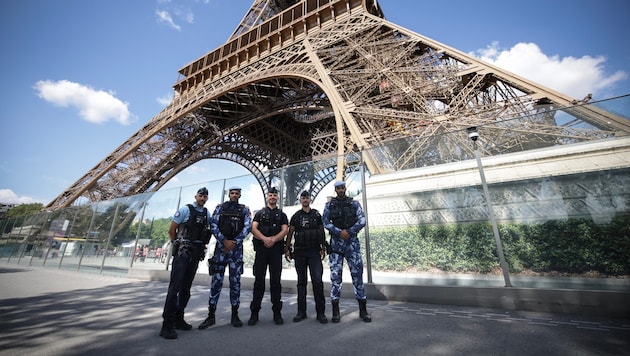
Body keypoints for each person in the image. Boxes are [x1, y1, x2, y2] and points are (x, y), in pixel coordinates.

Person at [160, 187, 213, 339]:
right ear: (196, 196)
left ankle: (178, 318)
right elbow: (172, 229)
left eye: (205, 197)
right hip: (184, 251)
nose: (202, 198)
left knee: (186, 288)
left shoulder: (206, 214)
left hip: (196, 252)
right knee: (174, 288)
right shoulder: (185, 210)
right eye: (201, 196)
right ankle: (167, 324)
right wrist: (175, 243)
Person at [199, 186, 252, 329]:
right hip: (222, 249)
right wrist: (224, 240)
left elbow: (248, 227)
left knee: (236, 283)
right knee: (216, 283)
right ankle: (211, 315)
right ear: (229, 194)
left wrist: (234, 241)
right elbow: (213, 225)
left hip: (235, 249)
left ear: (240, 195)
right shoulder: (220, 208)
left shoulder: (244, 209)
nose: (234, 195)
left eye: (236, 193)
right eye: (232, 193)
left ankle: (235, 314)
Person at [322, 181, 371, 323]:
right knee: (335, 277)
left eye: (342, 187)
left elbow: (362, 220)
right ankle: (336, 311)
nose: (340, 190)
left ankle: (363, 310)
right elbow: (325, 221)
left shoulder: (354, 204)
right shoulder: (329, 205)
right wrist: (339, 232)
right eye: (338, 188)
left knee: (358, 277)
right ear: (335, 190)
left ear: (345, 188)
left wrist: (349, 231)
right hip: (337, 246)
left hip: (352, 244)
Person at [285, 190, 328, 324]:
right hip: (300, 252)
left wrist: (323, 247)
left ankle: (320, 313)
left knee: (317, 282)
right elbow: (290, 234)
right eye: (303, 198)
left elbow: (321, 231)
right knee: (301, 283)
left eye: (307, 197)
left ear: (310, 199)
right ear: (300, 200)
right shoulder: (296, 216)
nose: (305, 200)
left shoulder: (316, 215)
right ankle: (301, 312)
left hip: (314, 252)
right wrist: (287, 249)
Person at [248, 187, 289, 326]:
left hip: (275, 251)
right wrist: (265, 239)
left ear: (277, 198)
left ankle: (277, 312)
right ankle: (254, 313)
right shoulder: (260, 213)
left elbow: (285, 230)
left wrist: (273, 239)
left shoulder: (282, 215)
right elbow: (253, 228)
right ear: (267, 196)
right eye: (270, 195)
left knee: (275, 282)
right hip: (262, 250)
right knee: (259, 282)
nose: (272, 197)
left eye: (274, 195)